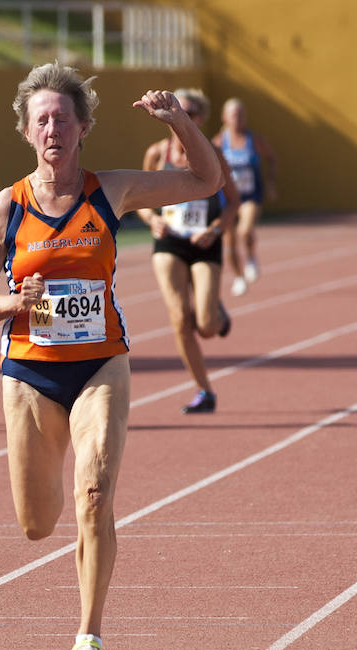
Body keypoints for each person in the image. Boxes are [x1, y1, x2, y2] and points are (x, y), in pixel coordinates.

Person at [0, 63, 224, 650]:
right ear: (27, 133)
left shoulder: (112, 191)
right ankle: (50, 497)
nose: (53, 128)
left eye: (63, 117)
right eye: (42, 119)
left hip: (101, 362)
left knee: (95, 491)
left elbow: (206, 180)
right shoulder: (6, 208)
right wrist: (12, 302)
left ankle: (89, 634)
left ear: (83, 127)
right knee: (36, 523)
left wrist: (180, 121)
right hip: (29, 370)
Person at [137, 88, 239, 413]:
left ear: (201, 117)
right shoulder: (157, 153)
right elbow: (138, 200)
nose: (184, 115)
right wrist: (151, 219)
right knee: (180, 318)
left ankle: (216, 314)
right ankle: (204, 391)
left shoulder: (213, 154)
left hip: (204, 241)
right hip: (169, 241)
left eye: (191, 112)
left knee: (206, 327)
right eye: (179, 108)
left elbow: (233, 203)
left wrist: (214, 231)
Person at [212, 97, 277, 296]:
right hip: (227, 198)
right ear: (225, 117)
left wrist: (271, 183)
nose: (238, 119)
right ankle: (239, 277)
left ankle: (250, 256)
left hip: (250, 196)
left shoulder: (253, 139)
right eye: (234, 115)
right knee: (229, 242)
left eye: (241, 115)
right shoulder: (219, 141)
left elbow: (271, 158)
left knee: (244, 230)